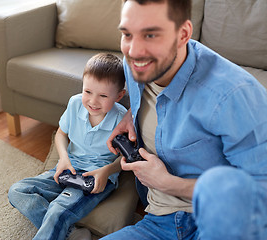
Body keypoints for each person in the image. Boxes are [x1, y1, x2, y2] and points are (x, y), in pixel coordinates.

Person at [102, 0, 267, 239]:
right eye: (127, 34)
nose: (135, 50)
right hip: (159, 221)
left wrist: (168, 183)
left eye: (151, 35)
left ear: (183, 34)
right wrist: (131, 115)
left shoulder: (233, 95)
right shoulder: (135, 63)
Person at [8, 53, 127, 240]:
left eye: (103, 95)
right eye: (88, 92)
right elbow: (61, 134)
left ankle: (58, 228)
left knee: (58, 208)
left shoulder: (122, 119)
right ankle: (71, 233)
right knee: (17, 191)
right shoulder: (74, 104)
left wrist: (107, 171)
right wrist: (63, 158)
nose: (93, 101)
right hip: (67, 168)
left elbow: (127, 157)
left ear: (119, 95)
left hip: (95, 178)